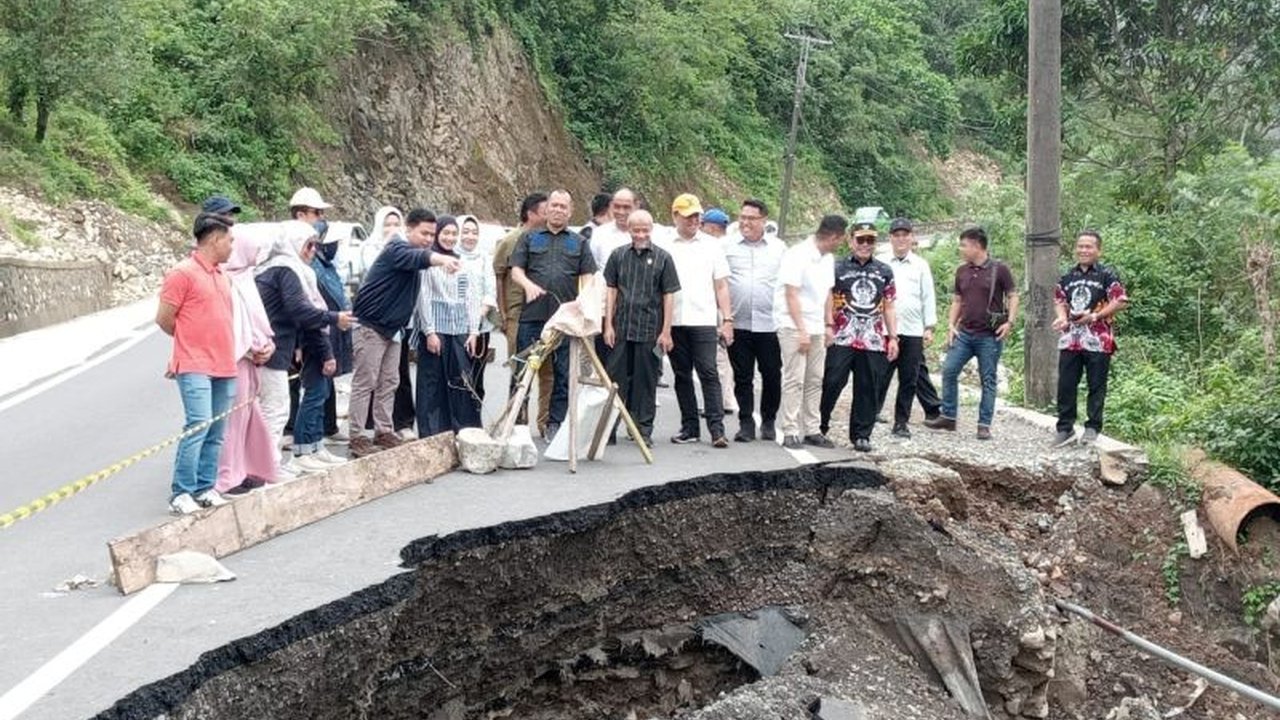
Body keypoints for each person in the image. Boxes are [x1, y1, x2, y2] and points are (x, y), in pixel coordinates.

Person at [348, 208, 459, 457]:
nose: (429, 239)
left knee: (390, 382)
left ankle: (384, 430)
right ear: (408, 229)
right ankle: (356, 436)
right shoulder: (396, 248)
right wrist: (442, 260)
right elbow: (419, 257)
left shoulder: (413, 253)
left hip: (393, 328)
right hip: (371, 325)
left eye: (432, 234)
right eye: (424, 233)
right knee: (366, 382)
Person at [156, 213, 238, 514]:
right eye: (229, 240)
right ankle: (182, 492)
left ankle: (205, 486)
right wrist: (188, 343)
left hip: (225, 364)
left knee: (216, 431)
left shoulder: (221, 275)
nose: (232, 246)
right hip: (194, 365)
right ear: (214, 239)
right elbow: (164, 318)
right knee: (198, 426)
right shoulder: (182, 273)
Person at [256, 221, 351, 474]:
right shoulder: (286, 270)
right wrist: (333, 318)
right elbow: (301, 311)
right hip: (271, 350)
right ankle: (271, 466)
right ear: (293, 243)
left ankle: (278, 461)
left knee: (283, 407)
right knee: (276, 411)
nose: (313, 251)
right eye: (308, 245)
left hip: (278, 347)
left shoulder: (290, 270)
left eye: (315, 245)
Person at [509, 189, 597, 440]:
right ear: (547, 209)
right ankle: (517, 422)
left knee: (563, 374)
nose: (558, 210)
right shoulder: (529, 239)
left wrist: (583, 299)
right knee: (523, 370)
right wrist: (528, 286)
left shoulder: (578, 242)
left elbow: (588, 276)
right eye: (554, 205)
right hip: (533, 316)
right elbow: (516, 271)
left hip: (564, 320)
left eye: (563, 207)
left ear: (570, 211)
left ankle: (554, 423)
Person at [925, 226, 1019, 440]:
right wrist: (951, 325)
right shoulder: (962, 271)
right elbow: (957, 300)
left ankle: (984, 424)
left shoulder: (999, 269)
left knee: (988, 379)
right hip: (965, 333)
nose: (961, 249)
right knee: (949, 370)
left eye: (964, 245)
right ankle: (948, 416)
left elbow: (1013, 296)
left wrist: (1010, 322)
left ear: (977, 246)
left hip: (990, 335)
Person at [819, 222, 900, 453]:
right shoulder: (837, 267)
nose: (865, 245)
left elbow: (890, 306)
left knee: (868, 388)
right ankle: (819, 425)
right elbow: (827, 297)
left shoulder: (884, 271)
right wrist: (827, 324)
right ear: (850, 240)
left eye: (870, 240)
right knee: (832, 381)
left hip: (872, 339)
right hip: (841, 335)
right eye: (860, 239)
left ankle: (862, 434)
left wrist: (892, 337)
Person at [603, 209, 680, 448]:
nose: (640, 235)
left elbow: (668, 295)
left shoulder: (663, 258)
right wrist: (608, 324)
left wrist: (666, 331)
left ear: (651, 230)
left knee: (646, 383)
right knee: (615, 380)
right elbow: (611, 290)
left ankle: (642, 430)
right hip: (621, 328)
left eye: (644, 230)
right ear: (628, 230)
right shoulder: (617, 256)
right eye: (636, 230)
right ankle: (609, 429)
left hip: (649, 330)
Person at [664, 193, 733, 448]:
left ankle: (717, 429)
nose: (693, 220)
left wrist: (727, 319)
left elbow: (722, 285)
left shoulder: (712, 245)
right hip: (675, 319)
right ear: (675, 216)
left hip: (704, 319)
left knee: (708, 371)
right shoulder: (665, 244)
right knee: (682, 375)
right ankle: (690, 426)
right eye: (688, 216)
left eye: (696, 216)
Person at [215, 227, 280, 495]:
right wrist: (252, 347)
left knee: (249, 417)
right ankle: (228, 476)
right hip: (235, 359)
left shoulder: (244, 277)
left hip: (252, 357)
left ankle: (251, 469)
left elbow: (256, 322)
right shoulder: (225, 280)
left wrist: (265, 344)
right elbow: (230, 326)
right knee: (234, 421)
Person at [1053, 229, 1128, 445]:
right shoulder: (1067, 276)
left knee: (1096, 385)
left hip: (1098, 340)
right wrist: (1061, 318)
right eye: (1080, 246)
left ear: (1098, 250)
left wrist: (1095, 316)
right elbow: (1059, 300)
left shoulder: (1107, 275)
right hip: (1071, 339)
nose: (1084, 250)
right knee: (1066, 385)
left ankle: (1093, 427)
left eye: (1089, 246)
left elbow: (1120, 300)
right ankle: (1065, 428)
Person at [776, 215, 843, 449]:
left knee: (815, 378)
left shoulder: (828, 258)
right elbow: (791, 294)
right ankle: (790, 429)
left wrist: (827, 324)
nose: (840, 243)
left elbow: (827, 293)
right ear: (834, 236)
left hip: (816, 325)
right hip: (793, 324)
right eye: (840, 238)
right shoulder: (797, 255)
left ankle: (812, 429)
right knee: (795, 378)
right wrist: (801, 330)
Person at [722, 198, 785, 442]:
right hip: (738, 323)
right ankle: (746, 422)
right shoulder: (727, 246)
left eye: (751, 218)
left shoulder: (778, 248)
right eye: (743, 217)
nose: (745, 222)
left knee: (771, 373)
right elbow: (721, 282)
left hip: (770, 323)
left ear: (764, 221)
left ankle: (768, 420)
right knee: (742, 375)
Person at [415, 216, 483, 437]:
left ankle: (464, 432)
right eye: (445, 233)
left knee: (462, 381)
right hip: (436, 330)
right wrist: (430, 331)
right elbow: (423, 298)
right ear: (437, 234)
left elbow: (471, 299)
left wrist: (474, 331)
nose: (450, 238)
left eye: (454, 233)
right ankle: (432, 433)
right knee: (432, 384)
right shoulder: (429, 264)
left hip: (460, 330)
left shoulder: (464, 265)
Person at [493, 192, 553, 433]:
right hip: (517, 313)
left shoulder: (547, 239)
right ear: (531, 214)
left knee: (548, 371)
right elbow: (499, 278)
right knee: (520, 370)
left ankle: (546, 422)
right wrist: (504, 315)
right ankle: (517, 420)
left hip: (544, 312)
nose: (550, 215)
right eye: (545, 211)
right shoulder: (510, 240)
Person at [876, 217, 941, 438]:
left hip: (913, 330)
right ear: (891, 238)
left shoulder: (921, 265)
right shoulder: (882, 263)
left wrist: (929, 326)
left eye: (905, 235)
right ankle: (870, 414)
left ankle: (901, 422)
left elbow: (928, 297)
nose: (901, 239)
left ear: (912, 238)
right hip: (886, 330)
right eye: (897, 235)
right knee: (879, 374)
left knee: (909, 379)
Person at [311, 220, 354, 441]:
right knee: (317, 383)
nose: (335, 247)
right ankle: (310, 435)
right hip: (319, 328)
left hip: (332, 325)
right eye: (332, 243)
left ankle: (329, 426)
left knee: (328, 379)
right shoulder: (313, 267)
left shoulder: (327, 265)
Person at [457, 214, 498, 401]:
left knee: (477, 373)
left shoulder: (484, 258)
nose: (470, 236)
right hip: (455, 324)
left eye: (474, 232)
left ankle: (475, 417)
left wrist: (479, 316)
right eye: (465, 232)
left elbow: (490, 289)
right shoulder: (450, 257)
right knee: (458, 373)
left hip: (481, 325)